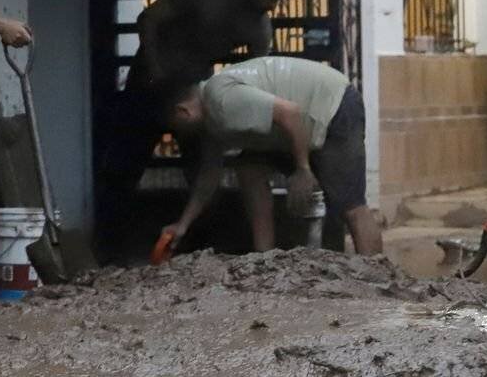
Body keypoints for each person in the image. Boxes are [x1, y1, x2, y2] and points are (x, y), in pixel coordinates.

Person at [95, 0, 292, 258]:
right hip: (150, 81)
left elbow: (253, 77)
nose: (272, 6)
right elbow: (149, 19)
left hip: (194, 88)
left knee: (204, 168)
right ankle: (109, 249)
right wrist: (155, 68)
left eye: (277, 0)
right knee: (125, 163)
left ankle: (195, 251)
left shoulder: (259, 28)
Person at [161, 56, 382, 256]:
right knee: (249, 167)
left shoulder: (219, 98)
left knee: (351, 206)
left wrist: (302, 170)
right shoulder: (211, 122)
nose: (180, 137)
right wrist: (182, 225)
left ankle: (377, 277)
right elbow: (209, 176)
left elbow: (290, 113)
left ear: (183, 111)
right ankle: (264, 257)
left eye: (176, 129)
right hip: (302, 121)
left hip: (332, 105)